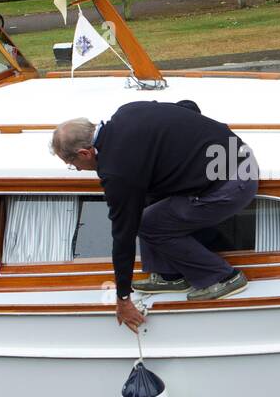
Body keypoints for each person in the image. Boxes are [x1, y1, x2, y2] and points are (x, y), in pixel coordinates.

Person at [51, 101, 259, 331]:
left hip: (233, 183)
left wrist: (122, 299)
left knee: (148, 225)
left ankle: (223, 277)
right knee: (148, 198)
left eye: (72, 164)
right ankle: (171, 276)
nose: (77, 169)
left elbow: (123, 235)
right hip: (236, 155)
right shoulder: (128, 111)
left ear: (85, 152)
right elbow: (188, 107)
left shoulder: (117, 171)